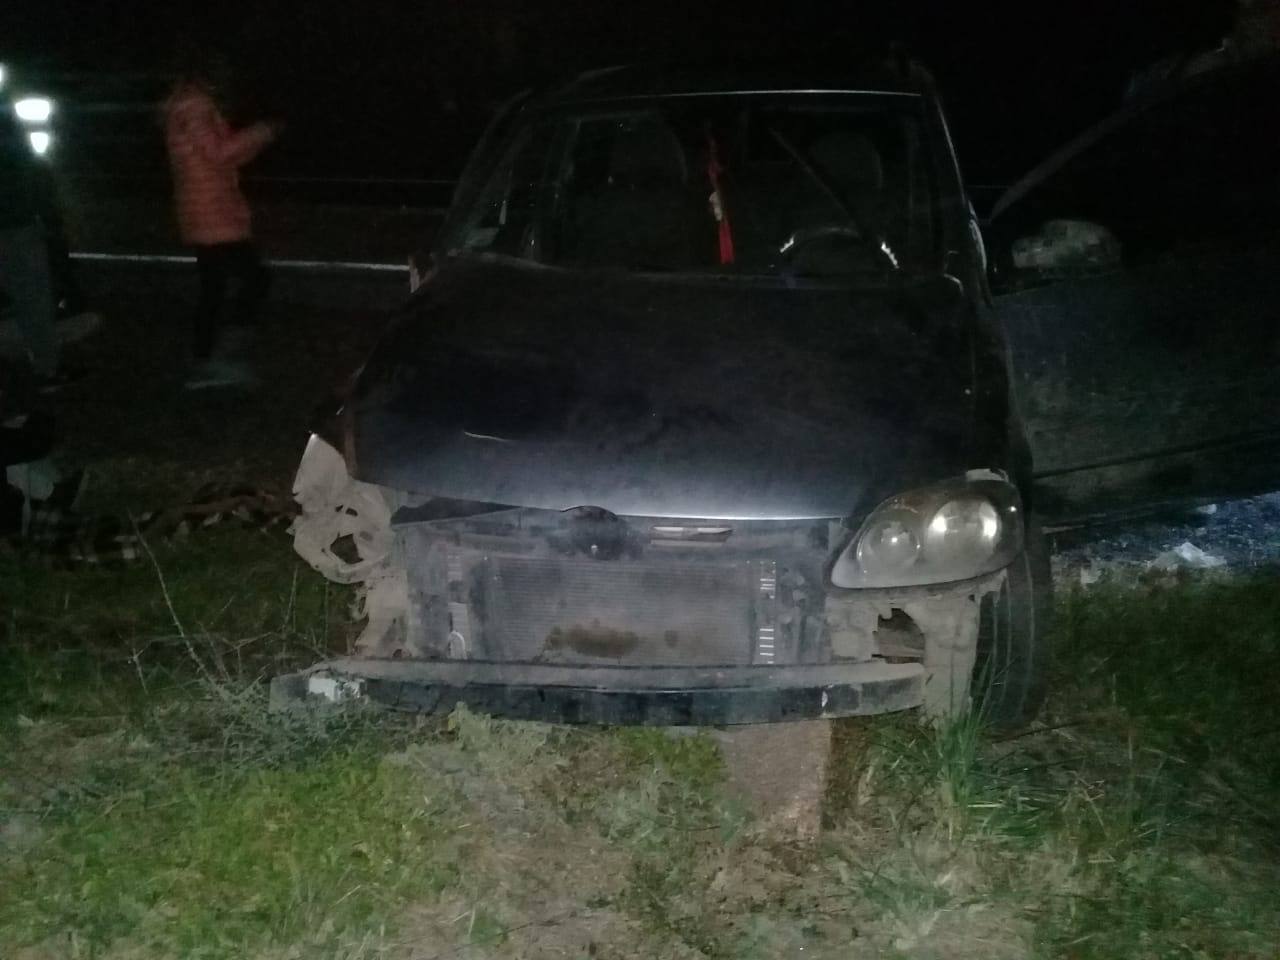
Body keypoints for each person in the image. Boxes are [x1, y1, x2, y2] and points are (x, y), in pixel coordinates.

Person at [163, 59, 278, 388]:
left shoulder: (187, 103)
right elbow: (220, 154)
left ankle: (207, 360)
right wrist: (263, 132)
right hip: (212, 212)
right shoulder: (195, 106)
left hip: (207, 209)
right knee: (253, 280)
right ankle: (221, 359)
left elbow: (223, 155)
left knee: (215, 288)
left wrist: (253, 141)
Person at [0, 109, 64, 392]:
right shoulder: (6, 122)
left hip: (14, 218)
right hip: (16, 221)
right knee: (33, 296)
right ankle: (46, 369)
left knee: (27, 295)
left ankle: (41, 368)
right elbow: (26, 169)